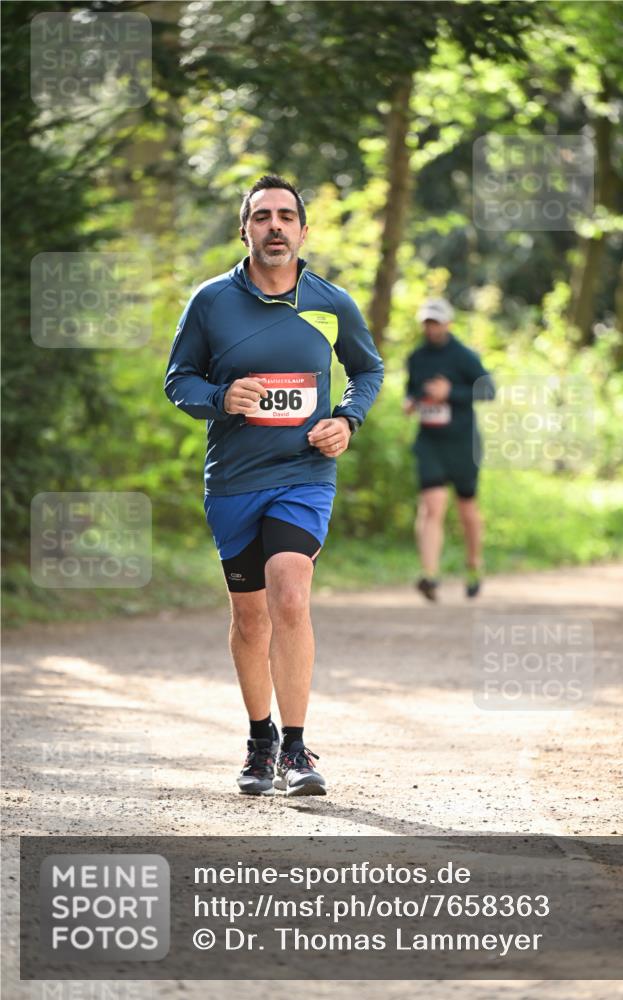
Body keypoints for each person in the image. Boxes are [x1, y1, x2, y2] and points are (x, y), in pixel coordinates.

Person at [165, 175, 383, 797]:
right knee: (250, 616)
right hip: (234, 479)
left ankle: (295, 748)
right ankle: (259, 742)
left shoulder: (331, 301)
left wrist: (346, 418)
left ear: (303, 231)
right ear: (245, 230)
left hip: (302, 474)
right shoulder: (210, 302)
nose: (275, 226)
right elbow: (178, 379)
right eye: (262, 216)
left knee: (290, 592)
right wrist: (219, 397)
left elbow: (367, 369)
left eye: (286, 216)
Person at [404, 298, 494, 601]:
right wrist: (411, 402)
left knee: (467, 510)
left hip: (463, 444)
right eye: (426, 322)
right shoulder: (416, 357)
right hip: (430, 442)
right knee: (432, 506)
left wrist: (451, 393)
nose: (431, 328)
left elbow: (489, 390)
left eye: (436, 322)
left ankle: (473, 565)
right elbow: (413, 390)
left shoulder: (464, 356)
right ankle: (430, 576)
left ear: (448, 324)